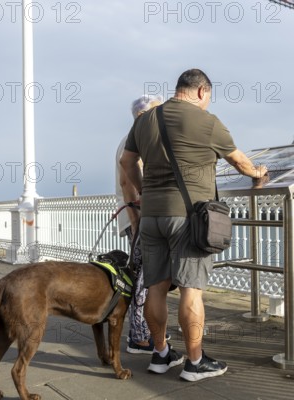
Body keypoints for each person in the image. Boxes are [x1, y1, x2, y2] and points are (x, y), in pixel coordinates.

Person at [120, 68, 268, 381]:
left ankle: (160, 355)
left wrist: (144, 192)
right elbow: (239, 161)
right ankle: (195, 361)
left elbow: (127, 162)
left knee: (156, 288)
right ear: (201, 92)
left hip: (151, 218)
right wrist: (257, 173)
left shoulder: (146, 120)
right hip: (187, 218)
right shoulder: (207, 121)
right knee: (191, 291)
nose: (207, 104)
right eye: (208, 98)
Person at [115, 94, 168, 354]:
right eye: (158, 111)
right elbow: (128, 184)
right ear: (144, 115)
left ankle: (146, 329)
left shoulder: (131, 138)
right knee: (143, 278)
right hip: (139, 217)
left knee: (146, 277)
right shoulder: (134, 142)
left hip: (140, 216)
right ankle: (138, 336)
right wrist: (136, 222)